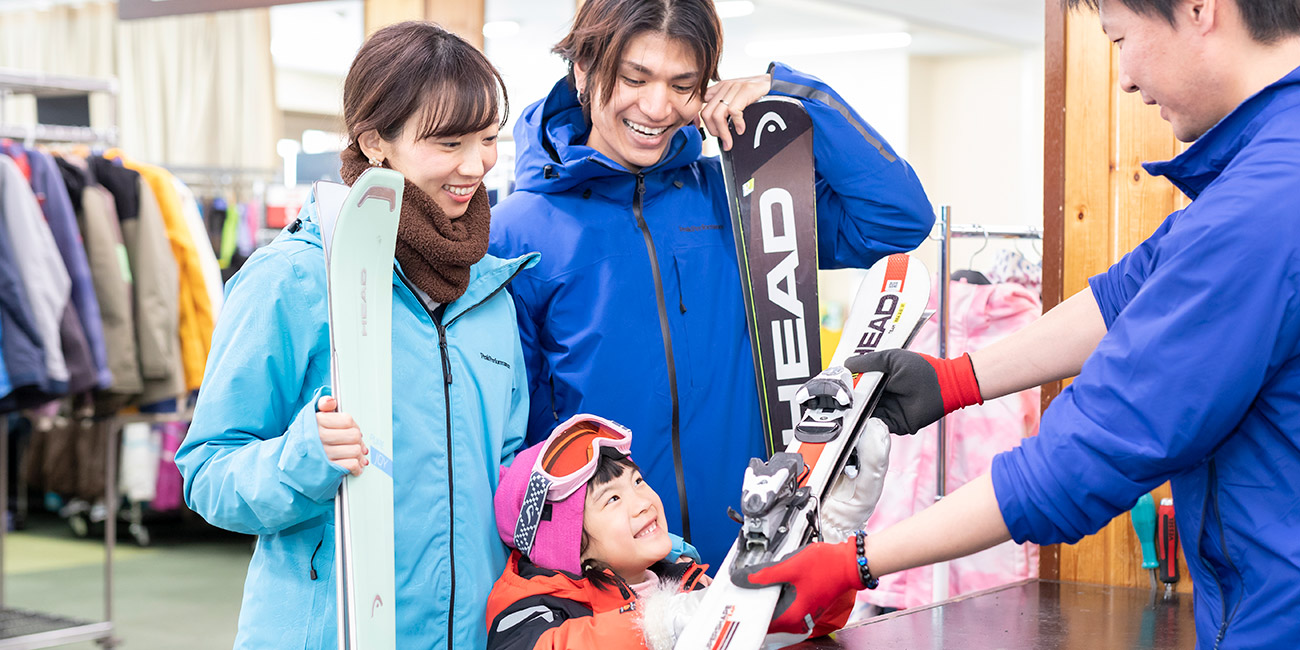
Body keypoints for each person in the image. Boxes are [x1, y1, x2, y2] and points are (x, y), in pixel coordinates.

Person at [736, 0, 1300, 647]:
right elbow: (1127, 295)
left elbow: (1088, 454)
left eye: (1119, 39)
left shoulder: (1261, 207)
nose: (1123, 78)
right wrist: (957, 380)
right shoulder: (1270, 170)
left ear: (1200, 9)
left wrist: (855, 562)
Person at [487, 0, 936, 568]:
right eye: (634, 77)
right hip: (607, 580)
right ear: (582, 68)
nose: (657, 107)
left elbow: (898, 219)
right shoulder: (515, 231)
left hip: (747, 560)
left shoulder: (742, 192)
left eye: (683, 85)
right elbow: (513, 442)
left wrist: (794, 97)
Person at [176, 22, 538, 648]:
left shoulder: (489, 293)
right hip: (329, 633)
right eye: (448, 142)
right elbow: (207, 472)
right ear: (376, 143)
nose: (475, 165)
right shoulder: (293, 278)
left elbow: (502, 472)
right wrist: (302, 458)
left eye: (487, 140)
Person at [486, 413, 874, 650]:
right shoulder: (533, 612)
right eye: (613, 500)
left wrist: (835, 529)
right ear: (571, 547)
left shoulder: (683, 579)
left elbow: (798, 627)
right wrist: (661, 626)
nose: (641, 502)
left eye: (637, 482)